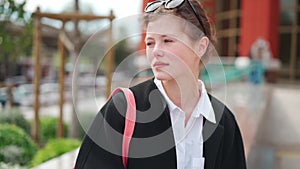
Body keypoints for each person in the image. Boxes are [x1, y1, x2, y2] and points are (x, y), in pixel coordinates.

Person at [75, 0, 247, 169]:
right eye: (150, 43)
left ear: (201, 47)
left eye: (167, 40)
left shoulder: (224, 122)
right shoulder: (122, 110)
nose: (156, 51)